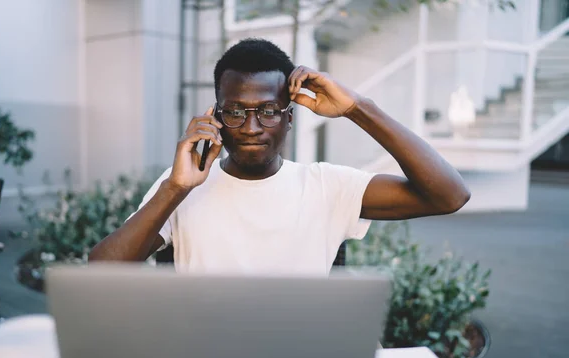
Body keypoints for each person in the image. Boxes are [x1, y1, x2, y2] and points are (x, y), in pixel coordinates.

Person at [89, 38, 470, 275]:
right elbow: (100, 272)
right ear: (215, 117)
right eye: (236, 111)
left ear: (289, 118)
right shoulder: (179, 187)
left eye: (268, 111)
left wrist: (358, 107)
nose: (252, 127)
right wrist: (173, 190)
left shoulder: (327, 185)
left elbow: (449, 196)